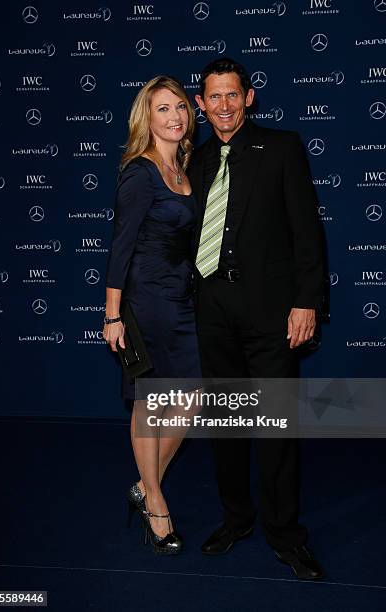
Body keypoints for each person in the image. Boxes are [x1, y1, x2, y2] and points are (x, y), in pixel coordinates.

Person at [188, 58, 325, 580]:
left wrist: (306, 301)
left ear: (248, 98)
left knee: (275, 428)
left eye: (231, 95)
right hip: (212, 312)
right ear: (201, 105)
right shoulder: (196, 160)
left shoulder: (282, 148)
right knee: (225, 423)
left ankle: (286, 535)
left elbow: (307, 233)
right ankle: (236, 518)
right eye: (212, 97)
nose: (222, 106)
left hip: (272, 313)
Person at [103, 76, 201, 554]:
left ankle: (144, 487)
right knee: (151, 403)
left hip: (181, 301)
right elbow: (121, 247)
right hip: (144, 303)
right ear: (148, 118)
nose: (174, 117)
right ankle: (157, 508)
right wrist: (113, 315)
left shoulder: (185, 170)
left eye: (180, 107)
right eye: (163, 109)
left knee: (191, 400)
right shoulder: (139, 172)